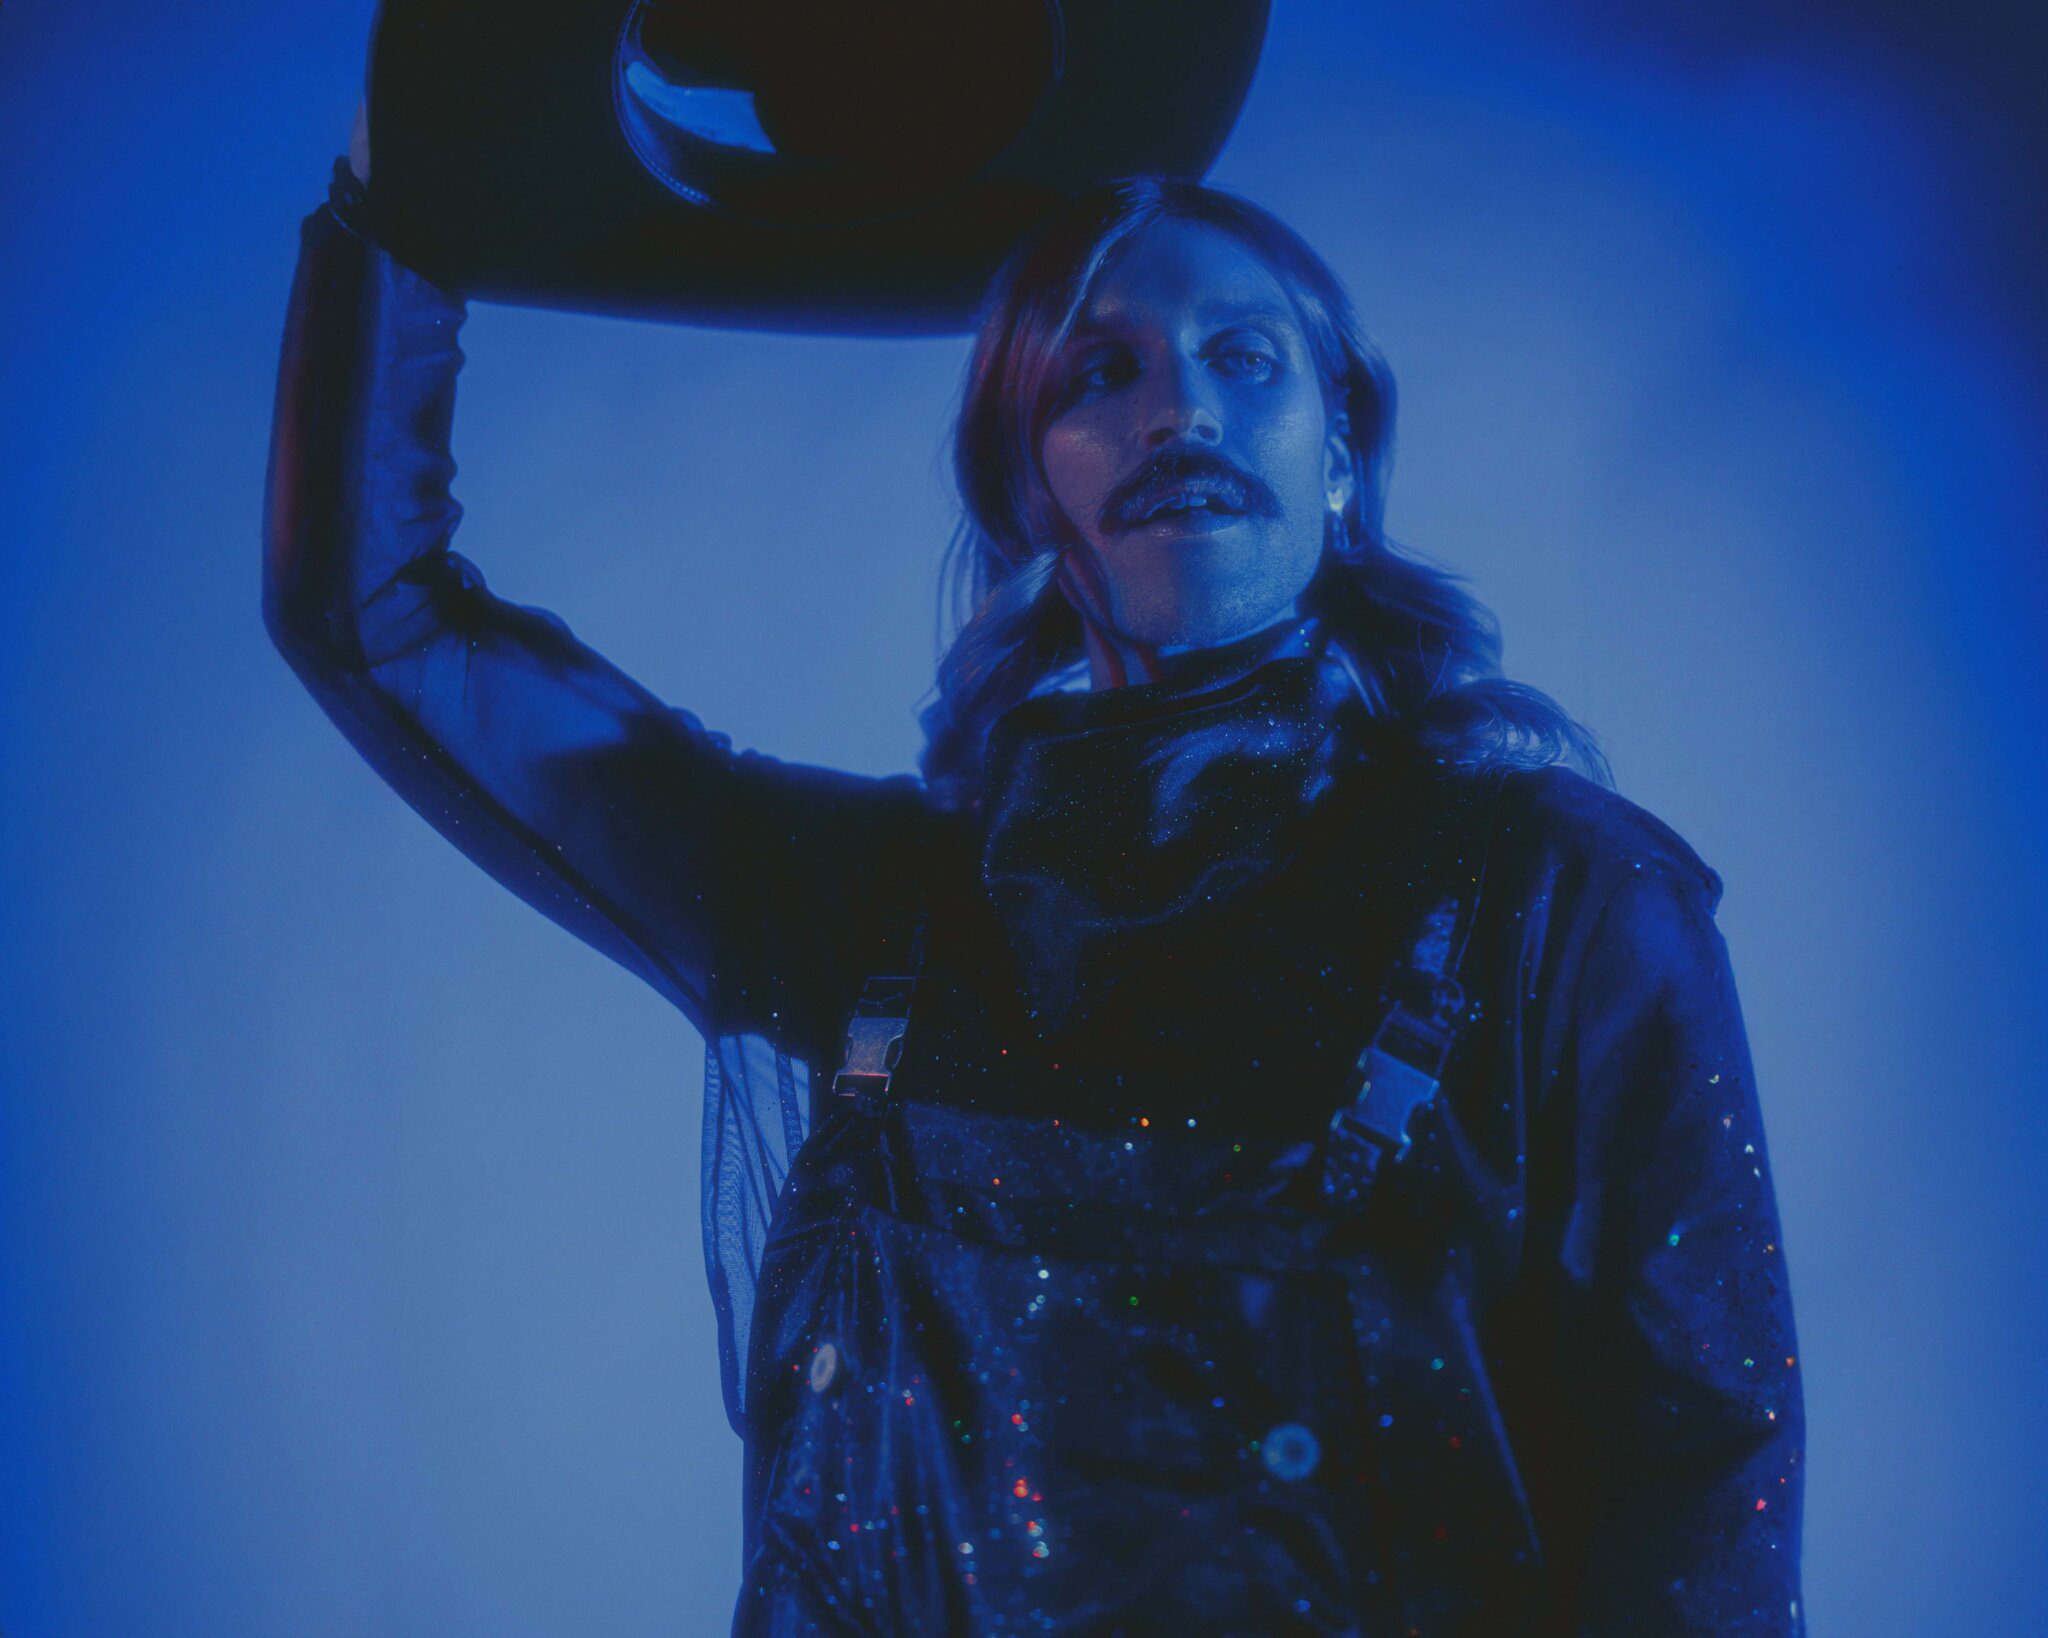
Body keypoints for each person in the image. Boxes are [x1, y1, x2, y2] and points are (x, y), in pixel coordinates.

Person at [264, 134, 1805, 1635]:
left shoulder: (1558, 895)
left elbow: (1703, 1480)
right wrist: (410, 198)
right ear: (1025, 490)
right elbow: (380, 622)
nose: (1178, 408)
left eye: (1244, 357)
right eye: (1099, 373)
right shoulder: (873, 909)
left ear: (1339, 449)